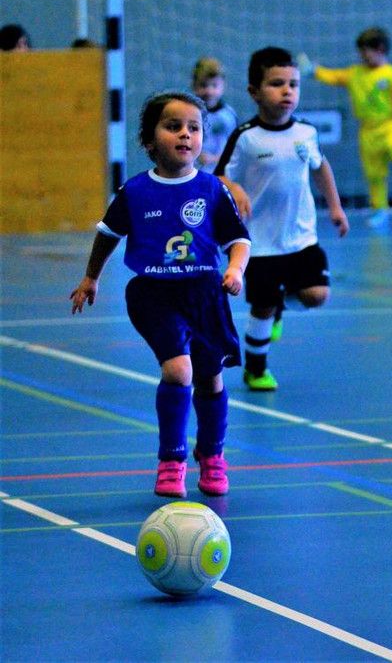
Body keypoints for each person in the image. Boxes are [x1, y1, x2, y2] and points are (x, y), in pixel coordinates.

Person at [70, 91, 251, 498]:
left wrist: (235, 269)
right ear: (149, 140)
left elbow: (238, 239)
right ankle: (171, 460)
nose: (185, 134)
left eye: (194, 128)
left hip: (204, 293)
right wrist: (91, 277)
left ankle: (212, 454)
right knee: (178, 371)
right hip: (152, 294)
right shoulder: (135, 191)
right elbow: (108, 234)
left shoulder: (211, 189)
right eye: (173, 126)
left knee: (210, 378)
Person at [215, 46, 349, 392]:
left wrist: (335, 207)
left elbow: (320, 167)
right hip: (260, 242)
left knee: (317, 295)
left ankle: (280, 306)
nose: (287, 91)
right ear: (254, 92)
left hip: (301, 236)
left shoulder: (306, 133)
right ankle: (255, 369)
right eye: (277, 84)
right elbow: (218, 177)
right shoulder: (246, 137)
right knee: (260, 307)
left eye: (293, 84)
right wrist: (235, 188)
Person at [298, 27, 392, 228]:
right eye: (361, 52)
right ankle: (380, 210)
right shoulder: (355, 73)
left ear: (380, 49)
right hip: (367, 130)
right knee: (374, 174)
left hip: (389, 125)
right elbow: (334, 76)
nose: (363, 56)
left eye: (366, 51)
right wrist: (314, 71)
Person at [191, 57, 238, 174]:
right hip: (194, 173)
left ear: (223, 86)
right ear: (194, 85)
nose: (209, 91)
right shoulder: (189, 114)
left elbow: (235, 149)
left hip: (221, 174)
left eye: (214, 85)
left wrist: (213, 158)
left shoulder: (228, 115)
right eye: (203, 85)